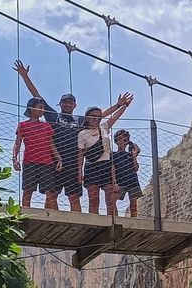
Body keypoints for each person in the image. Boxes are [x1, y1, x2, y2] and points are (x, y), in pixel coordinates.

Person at [13, 60, 130, 213]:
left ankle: (77, 224)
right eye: (64, 102)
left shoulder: (80, 120)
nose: (67, 105)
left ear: (75, 105)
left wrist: (118, 105)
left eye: (70, 103)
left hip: (73, 164)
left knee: (74, 196)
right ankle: (52, 222)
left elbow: (97, 116)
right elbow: (37, 96)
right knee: (51, 194)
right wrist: (24, 76)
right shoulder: (53, 116)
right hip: (54, 162)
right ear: (59, 104)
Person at [78, 94, 133, 214]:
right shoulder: (82, 133)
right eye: (93, 116)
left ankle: (115, 224)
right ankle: (94, 226)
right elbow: (80, 155)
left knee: (111, 200)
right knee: (94, 201)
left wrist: (124, 106)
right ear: (87, 117)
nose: (96, 119)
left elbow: (115, 117)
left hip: (106, 167)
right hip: (91, 167)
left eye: (99, 117)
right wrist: (79, 172)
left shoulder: (104, 127)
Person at [11, 96, 62, 209]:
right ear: (31, 108)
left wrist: (58, 158)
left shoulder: (46, 126)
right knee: (28, 191)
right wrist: (14, 158)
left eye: (43, 108)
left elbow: (51, 144)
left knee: (50, 193)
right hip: (30, 162)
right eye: (40, 107)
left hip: (47, 163)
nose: (43, 110)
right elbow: (17, 143)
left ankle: (53, 217)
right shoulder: (23, 125)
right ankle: (25, 216)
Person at [111, 129, 142, 218]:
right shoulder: (113, 155)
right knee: (112, 201)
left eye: (125, 139)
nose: (122, 141)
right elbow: (112, 169)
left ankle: (134, 220)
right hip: (120, 180)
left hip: (132, 180)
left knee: (133, 204)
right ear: (116, 141)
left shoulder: (130, 155)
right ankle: (115, 218)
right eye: (120, 139)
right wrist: (114, 182)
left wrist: (133, 155)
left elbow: (135, 168)